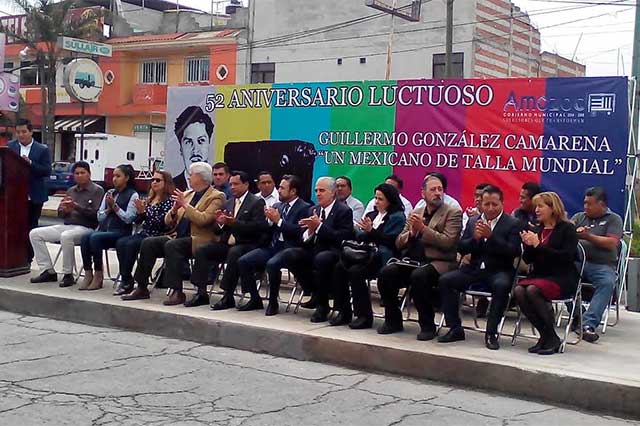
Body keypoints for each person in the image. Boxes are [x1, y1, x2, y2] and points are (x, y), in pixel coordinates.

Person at [123, 162, 225, 303]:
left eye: (191, 175)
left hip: (199, 239)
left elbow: (204, 220)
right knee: (149, 243)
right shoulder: (188, 194)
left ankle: (177, 291)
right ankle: (141, 287)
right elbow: (167, 221)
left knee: (173, 246)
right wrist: (174, 210)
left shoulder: (216, 196)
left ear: (201, 177)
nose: (188, 178)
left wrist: (184, 205)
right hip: (178, 236)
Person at [377, 174, 462, 340]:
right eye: (433, 190)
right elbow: (398, 243)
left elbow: (448, 242)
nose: (438, 193)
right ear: (423, 193)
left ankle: (427, 326)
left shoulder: (453, 213)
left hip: (440, 261)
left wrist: (423, 229)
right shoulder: (416, 212)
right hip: (414, 260)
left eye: (440, 189)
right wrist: (412, 233)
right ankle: (393, 320)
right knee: (386, 273)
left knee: (420, 276)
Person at [437, 185, 522, 350]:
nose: (490, 208)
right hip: (474, 269)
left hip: (499, 269)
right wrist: (475, 239)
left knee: (501, 285)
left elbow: (513, 252)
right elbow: (461, 248)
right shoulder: (473, 221)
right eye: (486, 204)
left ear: (502, 204)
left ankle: (491, 333)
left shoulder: (512, 223)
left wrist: (491, 237)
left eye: (494, 204)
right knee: (446, 280)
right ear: (480, 204)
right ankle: (455, 328)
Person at [278, 177, 354, 323]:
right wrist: (311, 231)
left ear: (332, 193)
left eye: (322, 190)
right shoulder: (313, 210)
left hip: (334, 252)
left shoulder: (343, 211)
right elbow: (303, 239)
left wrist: (319, 227)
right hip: (314, 249)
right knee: (290, 254)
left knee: (322, 258)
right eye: (316, 191)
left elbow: (341, 238)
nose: (318, 194)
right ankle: (315, 292)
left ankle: (322, 305)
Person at [331, 183, 406, 329]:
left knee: (355, 272)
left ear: (390, 200)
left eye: (380, 199)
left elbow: (390, 241)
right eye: (376, 198)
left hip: (383, 256)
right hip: (365, 253)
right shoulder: (372, 214)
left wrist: (371, 232)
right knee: (339, 267)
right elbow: (360, 236)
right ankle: (343, 311)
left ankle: (364, 315)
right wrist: (363, 231)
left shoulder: (397, 217)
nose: (376, 202)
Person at [193, 171, 270, 311]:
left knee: (235, 253)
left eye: (236, 184)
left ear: (246, 184)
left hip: (248, 244)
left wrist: (234, 223)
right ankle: (201, 291)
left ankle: (228, 295)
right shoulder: (228, 203)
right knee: (203, 250)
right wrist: (221, 223)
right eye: (231, 184)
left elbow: (258, 228)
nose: (232, 187)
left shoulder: (256, 202)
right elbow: (217, 230)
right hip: (227, 243)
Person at [515, 192, 579, 355]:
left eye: (541, 206)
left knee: (532, 290)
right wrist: (528, 245)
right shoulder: (538, 229)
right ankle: (547, 336)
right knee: (519, 291)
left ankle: (550, 337)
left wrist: (539, 246)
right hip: (540, 275)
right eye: (536, 206)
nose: (536, 210)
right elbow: (529, 260)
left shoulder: (567, 229)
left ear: (553, 208)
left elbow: (567, 258)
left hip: (562, 277)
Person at [237, 175, 311, 316]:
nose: (279, 190)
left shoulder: (305, 208)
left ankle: (273, 302)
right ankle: (254, 298)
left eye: (282, 188)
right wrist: (270, 222)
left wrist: (279, 221)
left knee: (272, 264)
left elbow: (299, 232)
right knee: (244, 261)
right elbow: (267, 230)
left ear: (293, 191)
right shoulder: (277, 206)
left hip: (291, 248)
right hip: (273, 246)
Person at [29, 161, 103, 287]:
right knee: (35, 233)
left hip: (87, 228)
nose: (79, 175)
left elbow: (96, 215)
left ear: (89, 174)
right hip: (68, 225)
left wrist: (76, 207)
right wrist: (64, 210)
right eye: (76, 173)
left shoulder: (97, 190)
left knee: (66, 236)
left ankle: (68, 274)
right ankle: (47, 270)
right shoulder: (70, 190)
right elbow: (60, 214)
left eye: (82, 173)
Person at [571, 187, 623, 343]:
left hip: (601, 264)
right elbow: (564, 234)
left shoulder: (614, 219)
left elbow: (611, 243)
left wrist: (588, 236)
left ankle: (588, 324)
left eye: (589, 204)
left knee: (607, 282)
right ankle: (578, 315)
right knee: (561, 275)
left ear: (602, 204)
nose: (585, 206)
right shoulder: (579, 217)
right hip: (579, 262)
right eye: (584, 203)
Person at [113, 171, 174, 296]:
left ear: (166, 183)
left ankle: (130, 283)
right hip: (145, 232)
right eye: (153, 180)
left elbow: (163, 223)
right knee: (121, 243)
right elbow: (138, 221)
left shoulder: (169, 201)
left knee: (131, 245)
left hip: (158, 235)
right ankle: (126, 277)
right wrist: (140, 213)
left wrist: (144, 213)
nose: (154, 183)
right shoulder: (149, 199)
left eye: (158, 180)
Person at [79, 164, 139, 291]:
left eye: (118, 176)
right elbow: (99, 217)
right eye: (113, 176)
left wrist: (115, 207)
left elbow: (129, 218)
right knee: (85, 237)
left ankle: (99, 274)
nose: (114, 179)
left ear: (127, 178)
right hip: (104, 229)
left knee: (95, 238)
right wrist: (108, 210)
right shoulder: (110, 193)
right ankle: (88, 272)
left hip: (120, 232)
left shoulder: (133, 195)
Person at [8, 118, 52, 264]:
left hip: (34, 195)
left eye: (24, 132)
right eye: (18, 132)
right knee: (14, 226)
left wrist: (31, 164)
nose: (21, 135)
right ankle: (14, 255)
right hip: (14, 195)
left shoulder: (42, 149)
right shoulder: (10, 147)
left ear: (31, 132)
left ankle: (28, 257)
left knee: (31, 227)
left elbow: (46, 171)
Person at [172, 106, 214, 191]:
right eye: (188, 142)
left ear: (209, 144)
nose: (195, 151)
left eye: (201, 140)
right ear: (181, 148)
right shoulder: (171, 186)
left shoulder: (215, 185)